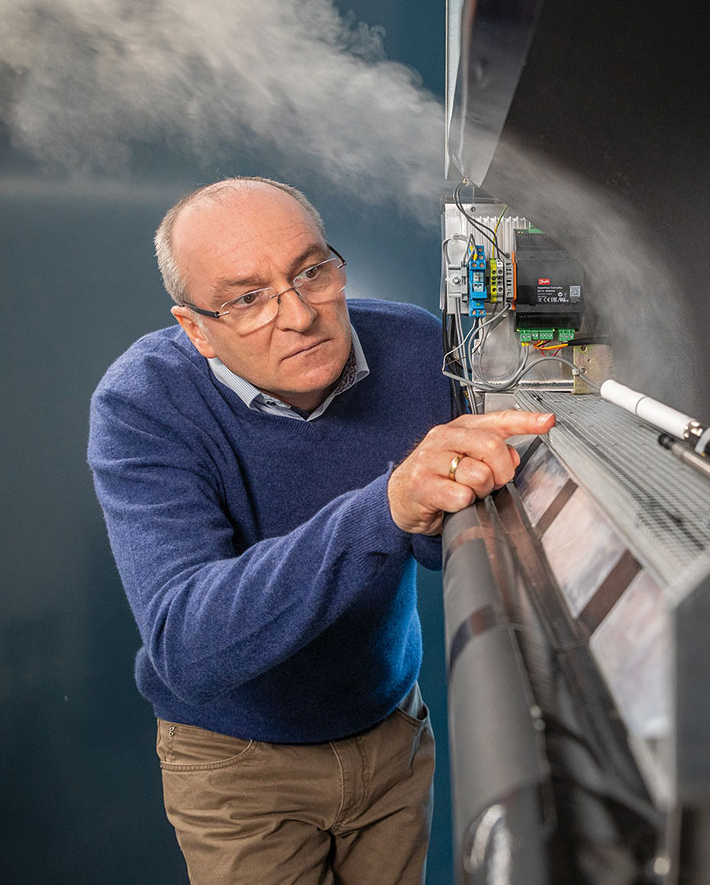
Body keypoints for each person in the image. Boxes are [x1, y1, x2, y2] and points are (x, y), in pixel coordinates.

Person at [86, 176, 554, 885]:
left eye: (311, 271)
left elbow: (435, 544)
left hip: (391, 732)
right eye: (247, 299)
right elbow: (188, 646)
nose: (299, 315)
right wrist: (387, 505)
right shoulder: (143, 403)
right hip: (240, 767)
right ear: (195, 329)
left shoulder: (415, 346)